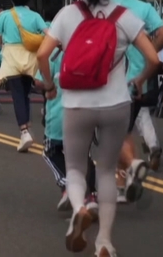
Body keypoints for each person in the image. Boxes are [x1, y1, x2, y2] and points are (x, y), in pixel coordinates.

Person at [35, 0, 160, 256]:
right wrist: (140, 79)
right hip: (116, 104)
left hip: (76, 104)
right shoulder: (125, 15)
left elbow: (41, 55)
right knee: (106, 171)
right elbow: (154, 59)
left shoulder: (67, 15)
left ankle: (80, 209)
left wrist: (50, 86)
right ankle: (104, 241)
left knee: (76, 168)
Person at [109, 0, 163, 194]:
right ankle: (122, 181)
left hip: (107, 80)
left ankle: (128, 173)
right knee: (123, 131)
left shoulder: (98, 6)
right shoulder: (142, 7)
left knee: (112, 134)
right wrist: (148, 51)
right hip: (137, 79)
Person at [42, 46, 99, 214]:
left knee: (50, 152)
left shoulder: (52, 53)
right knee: (84, 157)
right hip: (86, 112)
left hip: (58, 116)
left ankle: (69, 186)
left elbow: (39, 79)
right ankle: (91, 196)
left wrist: (49, 85)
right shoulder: (90, 50)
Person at [0, 0, 48, 152]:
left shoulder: (4, 16)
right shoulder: (35, 16)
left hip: (12, 58)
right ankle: (29, 129)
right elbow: (48, 34)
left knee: (17, 95)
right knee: (25, 94)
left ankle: (24, 132)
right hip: (31, 58)